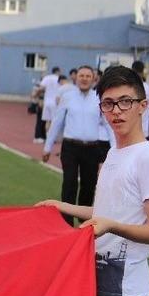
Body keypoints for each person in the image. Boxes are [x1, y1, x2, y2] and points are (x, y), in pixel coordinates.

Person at [37, 65, 149, 296]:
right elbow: (103, 210)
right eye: (108, 104)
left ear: (142, 105)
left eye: (125, 102)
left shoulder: (147, 157)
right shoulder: (113, 153)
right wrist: (62, 206)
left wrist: (111, 226)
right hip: (95, 280)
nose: (116, 112)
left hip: (125, 290)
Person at [43, 66, 107, 225]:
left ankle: (84, 221)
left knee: (89, 185)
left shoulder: (99, 99)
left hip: (92, 148)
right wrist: (47, 147)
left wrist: (115, 149)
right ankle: (66, 223)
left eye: (88, 76)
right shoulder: (68, 97)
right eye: (81, 75)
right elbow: (57, 122)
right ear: (76, 78)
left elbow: (108, 124)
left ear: (94, 79)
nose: (84, 78)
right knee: (69, 182)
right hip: (71, 147)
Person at [131, 61, 149, 140]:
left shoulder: (130, 87)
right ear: (142, 71)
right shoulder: (148, 88)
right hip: (144, 128)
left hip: (131, 130)